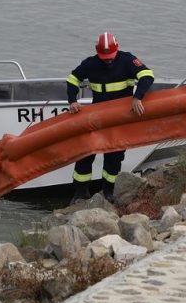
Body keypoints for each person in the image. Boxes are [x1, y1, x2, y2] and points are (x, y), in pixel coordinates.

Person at [65, 32, 154, 199]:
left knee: (114, 156)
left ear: (117, 49)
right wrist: (72, 101)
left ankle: (108, 192)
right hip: (97, 116)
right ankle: (80, 192)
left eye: (111, 57)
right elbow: (72, 80)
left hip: (120, 118)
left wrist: (138, 97)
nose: (108, 60)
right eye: (105, 57)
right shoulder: (90, 64)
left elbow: (147, 76)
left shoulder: (127, 60)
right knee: (86, 153)